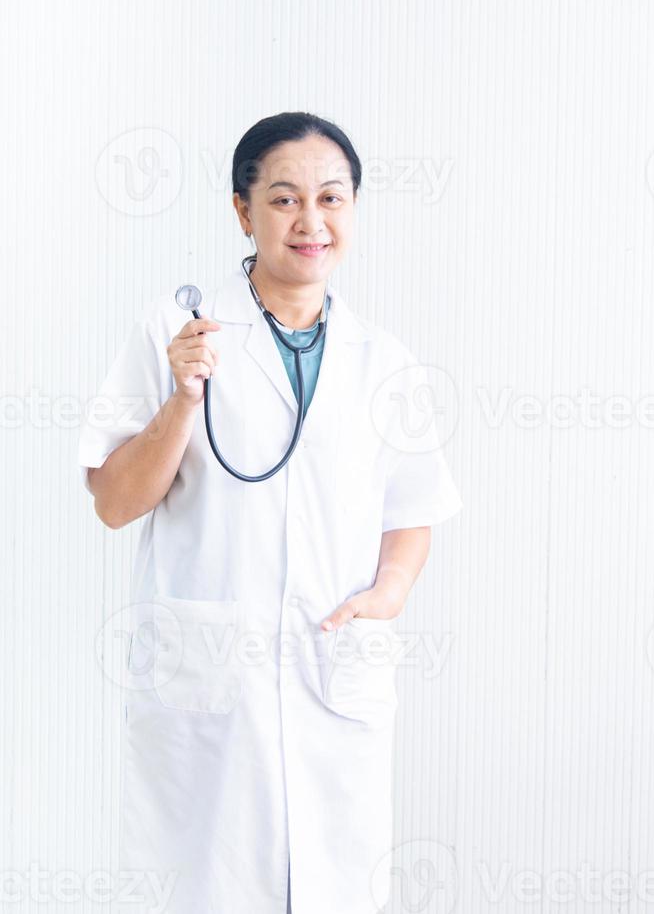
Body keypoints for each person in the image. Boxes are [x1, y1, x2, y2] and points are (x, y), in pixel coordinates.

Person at [78, 111, 464, 914]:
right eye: (285, 199)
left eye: (332, 198)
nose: (311, 221)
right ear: (241, 210)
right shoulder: (176, 329)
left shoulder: (383, 359)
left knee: (336, 888)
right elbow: (114, 503)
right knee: (204, 887)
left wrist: (388, 595)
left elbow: (413, 507)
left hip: (336, 673)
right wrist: (184, 399)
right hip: (210, 685)